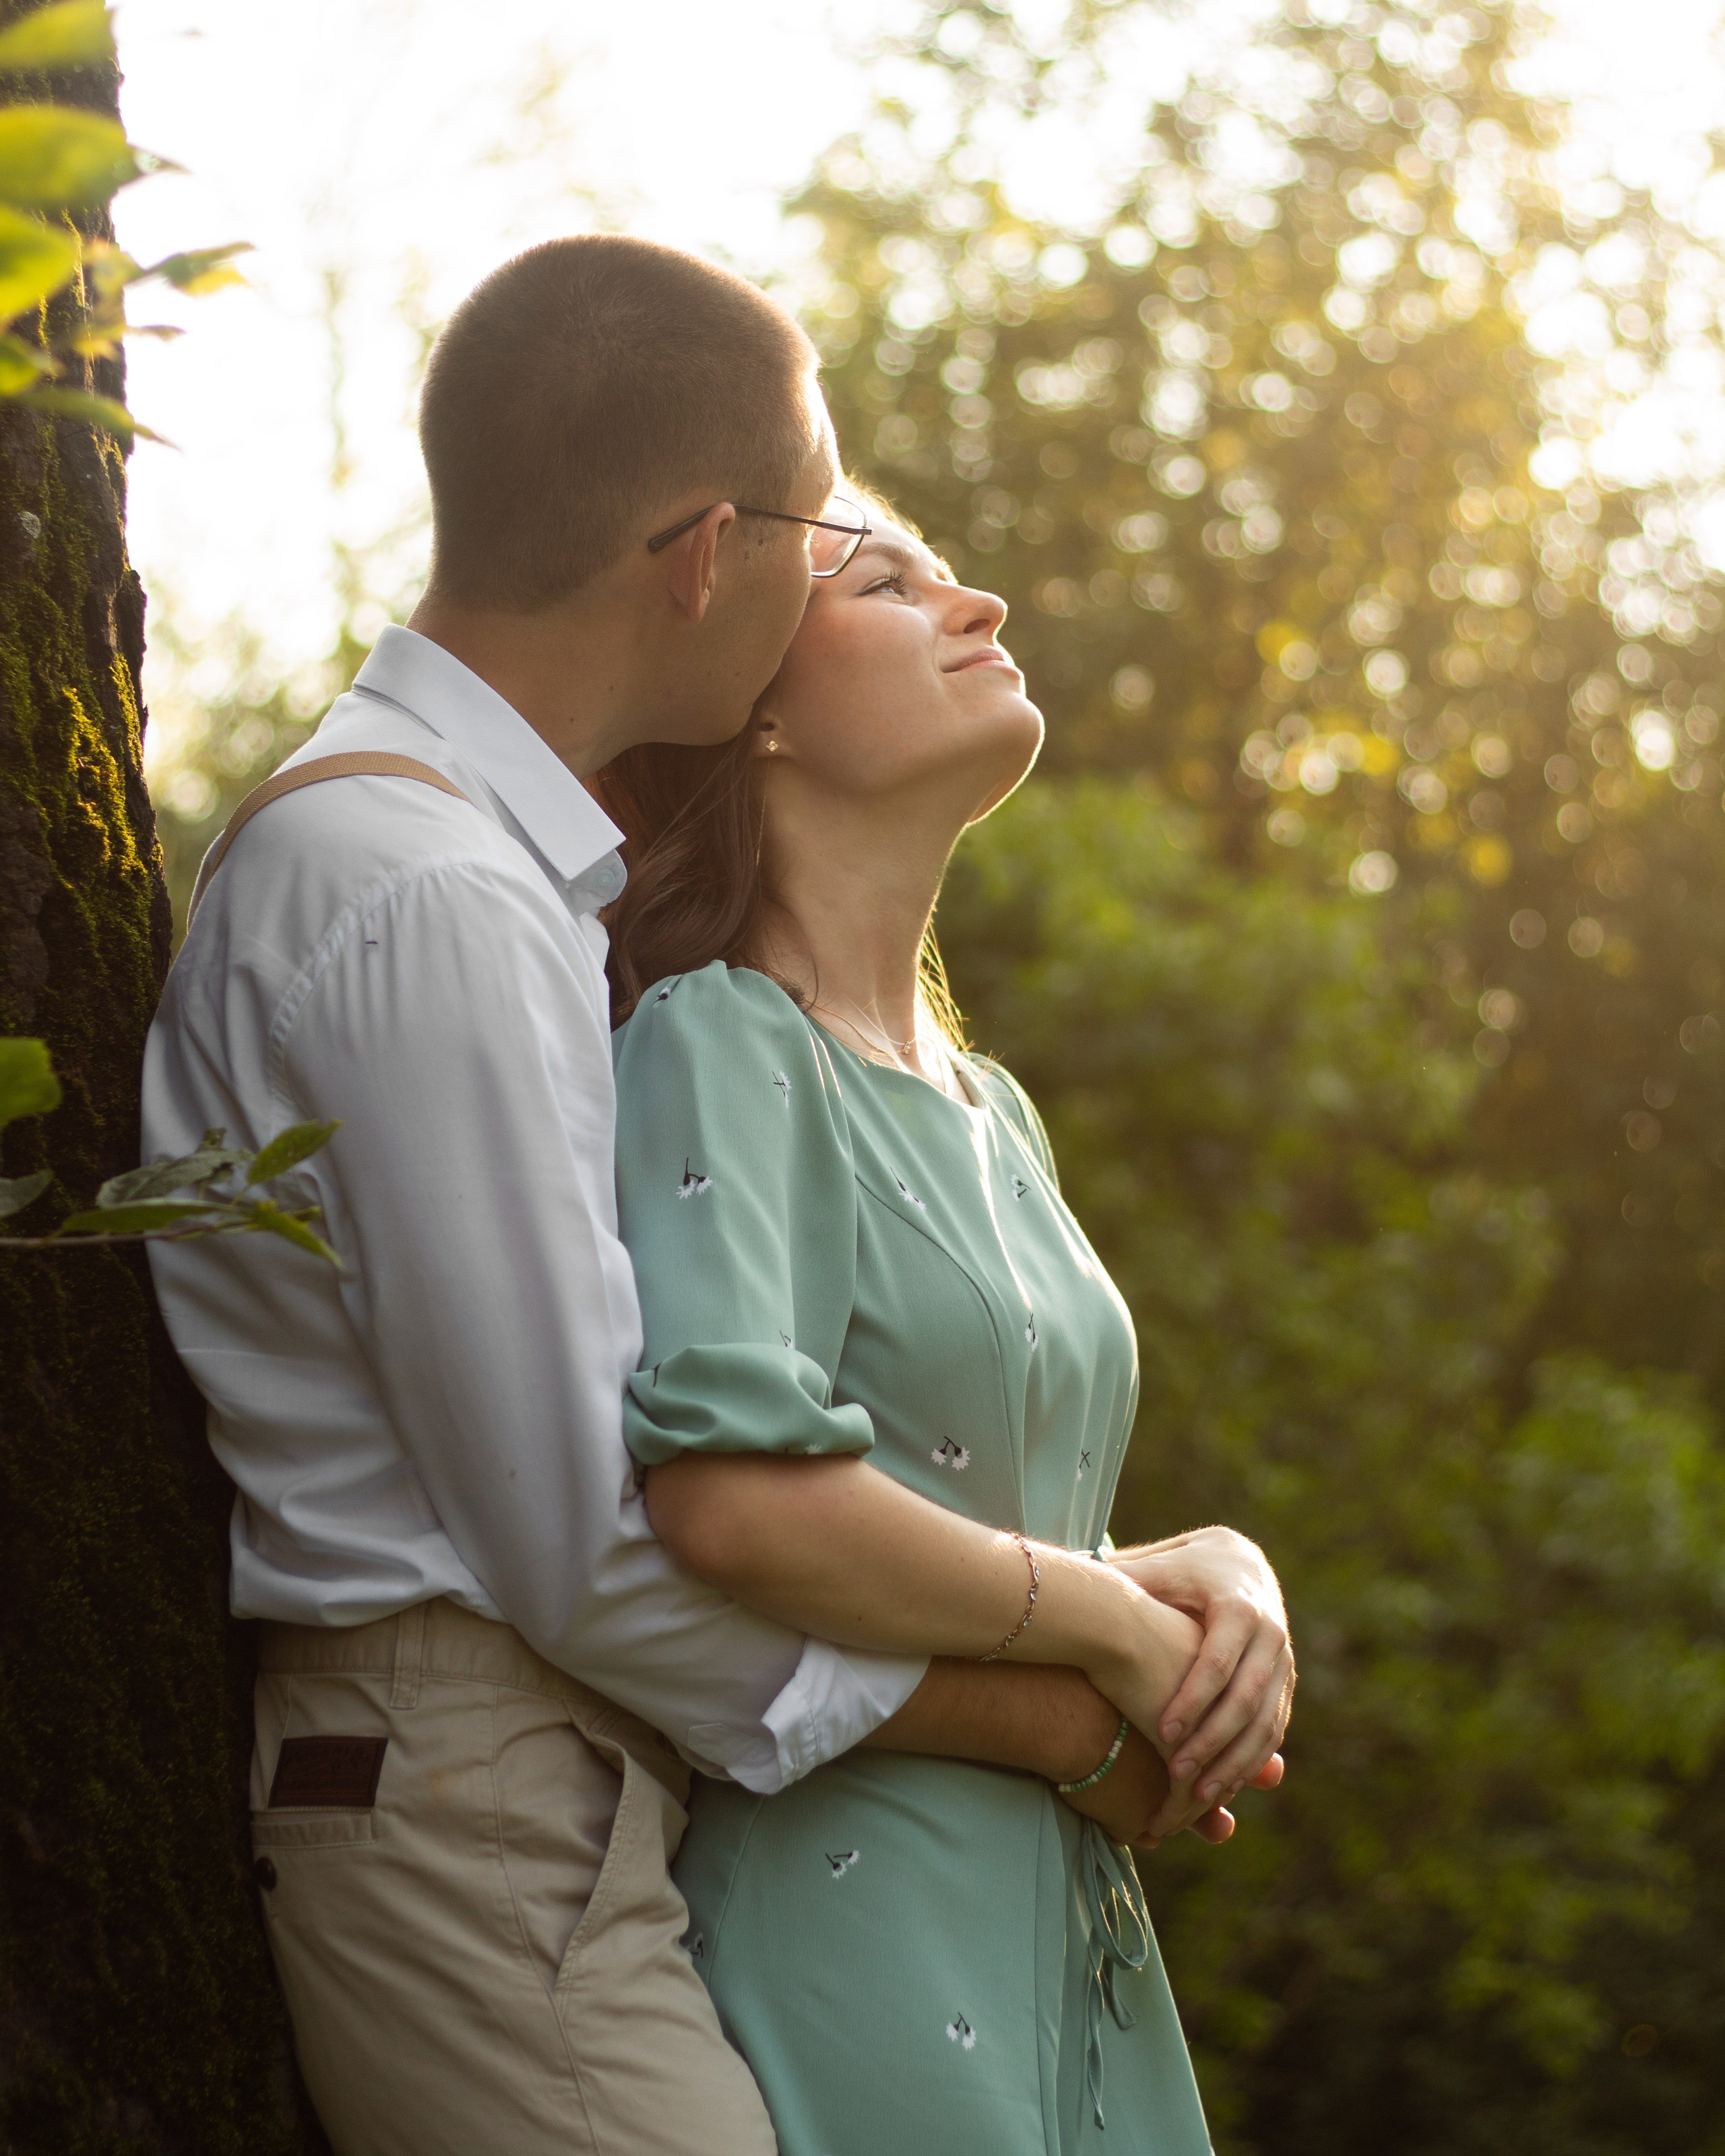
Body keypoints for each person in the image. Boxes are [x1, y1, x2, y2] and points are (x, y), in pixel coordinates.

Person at [143, 235, 1287, 2156]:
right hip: (480, 1804)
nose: (836, 568)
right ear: (697, 555)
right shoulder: (432, 894)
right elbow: (592, 1544)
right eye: (815, 533)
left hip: (558, 1791)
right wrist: (1067, 1695)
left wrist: (1155, 1591)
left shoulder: (475, 879)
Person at [601, 492, 1279, 2154]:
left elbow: (976, 1509)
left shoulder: (992, 1105)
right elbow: (746, 1495)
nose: (974, 600)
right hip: (861, 1930)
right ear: (752, 696)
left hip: (1075, 1931)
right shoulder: (718, 1042)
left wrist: (1207, 1568)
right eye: (887, 581)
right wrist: (1122, 1629)